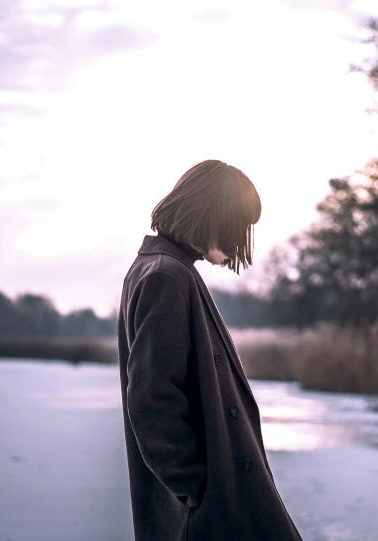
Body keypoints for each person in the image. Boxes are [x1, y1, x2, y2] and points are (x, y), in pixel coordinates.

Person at [117, 160, 304, 540]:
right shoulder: (167, 275)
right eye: (239, 224)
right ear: (211, 215)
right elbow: (152, 400)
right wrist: (198, 487)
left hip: (208, 507)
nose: (242, 238)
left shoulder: (164, 269)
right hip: (205, 515)